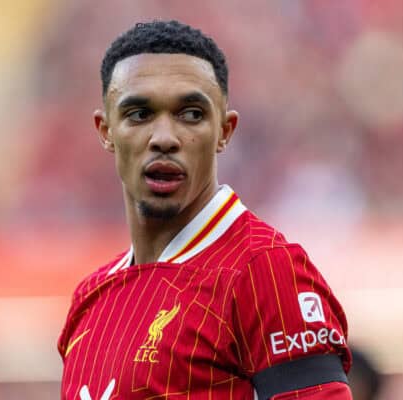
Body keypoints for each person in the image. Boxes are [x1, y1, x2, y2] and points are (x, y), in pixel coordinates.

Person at [58, 20, 352, 399]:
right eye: (139, 114)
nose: (164, 138)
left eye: (191, 114)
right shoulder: (90, 300)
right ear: (105, 130)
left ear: (225, 131)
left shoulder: (264, 271)